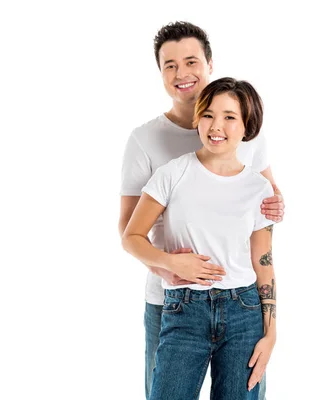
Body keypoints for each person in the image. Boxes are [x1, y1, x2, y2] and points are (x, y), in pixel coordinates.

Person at [118, 22, 284, 399]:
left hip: (243, 306)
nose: (181, 72)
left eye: (191, 61)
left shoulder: (251, 154)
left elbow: (265, 237)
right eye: (169, 65)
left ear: (209, 63)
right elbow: (129, 231)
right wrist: (171, 266)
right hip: (173, 300)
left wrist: (271, 329)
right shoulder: (156, 155)